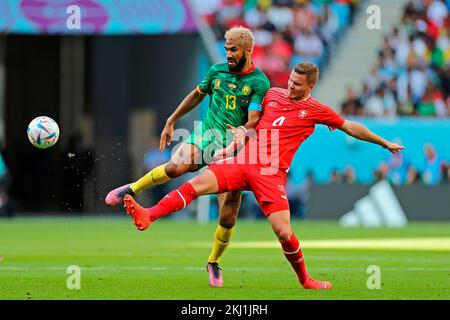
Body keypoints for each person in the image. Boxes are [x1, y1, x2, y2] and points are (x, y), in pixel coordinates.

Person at [122, 62, 404, 290]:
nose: (290, 85)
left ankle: (305, 280)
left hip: (271, 173)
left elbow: (351, 127)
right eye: (291, 80)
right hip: (244, 160)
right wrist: (235, 133)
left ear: (311, 86)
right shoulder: (272, 94)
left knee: (283, 231)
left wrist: (384, 143)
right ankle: (149, 214)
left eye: (297, 84)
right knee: (195, 185)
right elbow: (249, 112)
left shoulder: (318, 110)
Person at [105, 26, 270, 287]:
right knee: (175, 167)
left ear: (248, 51)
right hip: (208, 134)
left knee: (227, 215)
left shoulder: (259, 82)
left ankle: (213, 262)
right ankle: (132, 188)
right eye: (226, 48)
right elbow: (196, 95)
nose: (228, 53)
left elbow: (253, 120)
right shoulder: (216, 72)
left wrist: (242, 130)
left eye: (233, 49)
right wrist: (172, 120)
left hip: (235, 148)